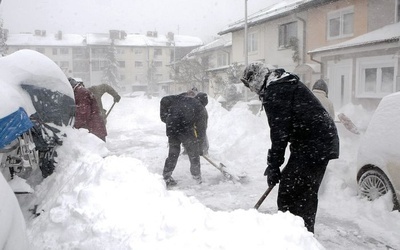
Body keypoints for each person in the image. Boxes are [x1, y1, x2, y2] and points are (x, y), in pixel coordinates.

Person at [240, 62, 339, 233]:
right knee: (299, 191)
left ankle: (296, 236)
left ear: (256, 81)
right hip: (315, 142)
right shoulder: (281, 83)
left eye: (250, 86)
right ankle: (298, 234)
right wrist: (274, 164)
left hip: (314, 144)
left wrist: (274, 165)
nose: (252, 91)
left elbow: (279, 134)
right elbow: (283, 131)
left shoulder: (276, 91)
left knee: (293, 193)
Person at [160, 93, 208, 187]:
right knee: (194, 154)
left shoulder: (182, 98)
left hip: (172, 127)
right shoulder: (200, 108)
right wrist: (200, 148)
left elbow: (164, 99)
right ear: (204, 103)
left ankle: (167, 176)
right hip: (185, 129)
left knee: (173, 153)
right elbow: (201, 130)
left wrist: (170, 119)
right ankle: (197, 178)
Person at [68, 77, 107, 141]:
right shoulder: (79, 91)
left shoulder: (81, 93)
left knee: (95, 150)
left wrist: (74, 126)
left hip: (94, 131)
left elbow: (83, 113)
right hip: (95, 128)